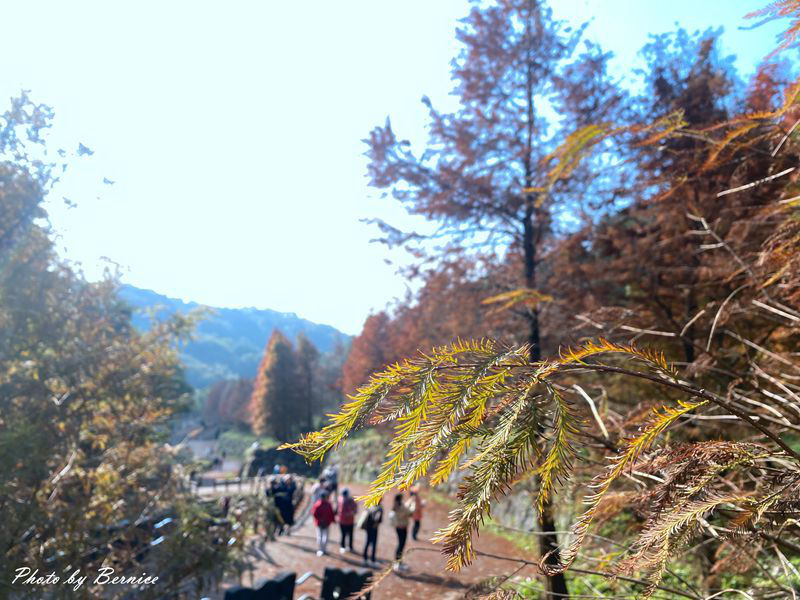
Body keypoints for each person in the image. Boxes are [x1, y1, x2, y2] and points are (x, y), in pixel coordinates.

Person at [389, 493, 412, 571]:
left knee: (400, 545)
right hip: (402, 528)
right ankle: (397, 563)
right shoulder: (401, 507)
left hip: (398, 528)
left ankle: (398, 562)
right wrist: (412, 502)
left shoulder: (396, 505)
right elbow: (410, 512)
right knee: (401, 546)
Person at [360, 497, 383, 567]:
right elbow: (378, 519)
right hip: (374, 528)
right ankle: (372, 560)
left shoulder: (370, 506)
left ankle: (365, 558)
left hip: (368, 527)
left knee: (367, 542)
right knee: (374, 544)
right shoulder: (379, 508)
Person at [312, 490, 336, 556]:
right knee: (322, 537)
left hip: (322, 523)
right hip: (323, 523)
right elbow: (315, 514)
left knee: (321, 537)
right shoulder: (326, 504)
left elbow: (314, 514)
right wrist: (332, 520)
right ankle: (322, 549)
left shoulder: (318, 504)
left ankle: (322, 549)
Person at [337, 488, 358, 553]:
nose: (344, 497)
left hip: (350, 521)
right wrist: (349, 514)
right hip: (342, 521)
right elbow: (340, 511)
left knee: (351, 535)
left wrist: (352, 513)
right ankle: (342, 546)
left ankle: (350, 547)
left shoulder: (352, 501)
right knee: (343, 534)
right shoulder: (341, 500)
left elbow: (355, 510)